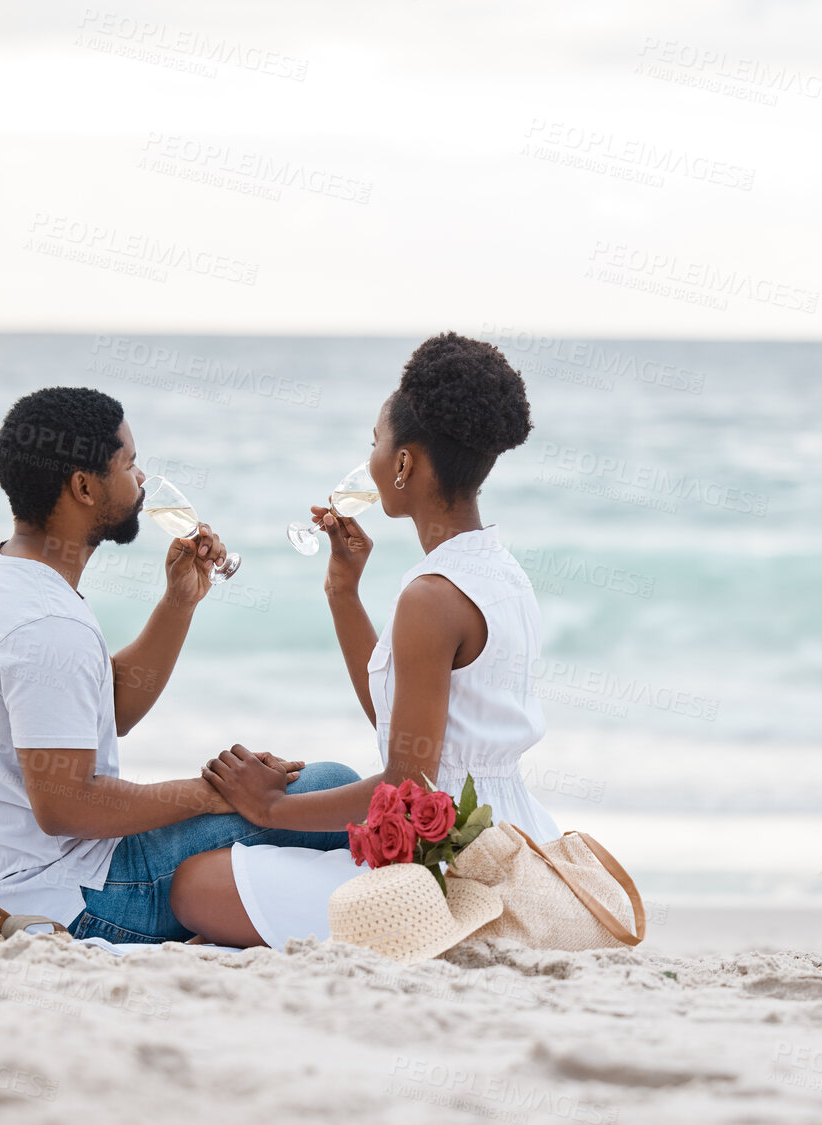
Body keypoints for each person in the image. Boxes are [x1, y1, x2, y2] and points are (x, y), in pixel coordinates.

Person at [0, 386, 358, 944]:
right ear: (83, 486)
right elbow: (66, 805)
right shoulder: (49, 624)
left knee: (311, 797)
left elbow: (106, 711)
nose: (142, 479)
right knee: (334, 789)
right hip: (65, 899)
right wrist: (215, 793)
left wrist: (179, 602)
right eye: (128, 463)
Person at [169, 333, 558, 948]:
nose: (371, 459)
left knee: (194, 886)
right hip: (513, 838)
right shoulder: (501, 571)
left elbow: (408, 781)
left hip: (444, 864)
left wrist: (268, 809)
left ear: (402, 464)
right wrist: (343, 593)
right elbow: (405, 728)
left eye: (375, 443)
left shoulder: (430, 596)